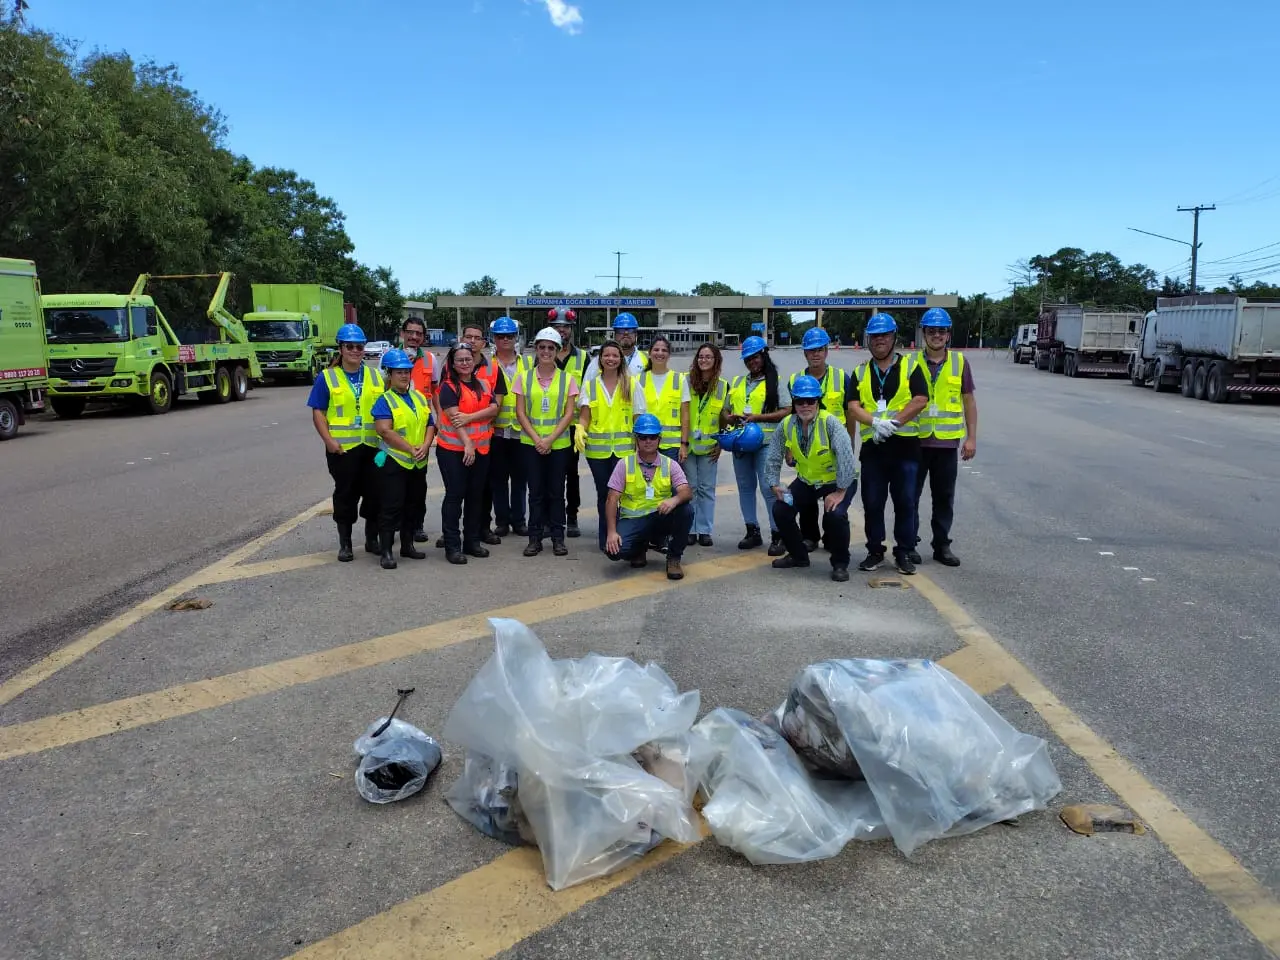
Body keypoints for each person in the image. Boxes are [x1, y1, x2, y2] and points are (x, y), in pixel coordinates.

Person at [847, 313, 930, 575]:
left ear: (894, 338)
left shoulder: (911, 367)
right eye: (875, 336)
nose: (879, 340)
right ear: (868, 340)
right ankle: (874, 551)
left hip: (905, 447)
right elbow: (852, 406)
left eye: (884, 335)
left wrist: (893, 423)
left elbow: (920, 399)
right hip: (874, 449)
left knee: (906, 502)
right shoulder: (860, 371)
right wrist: (874, 423)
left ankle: (903, 552)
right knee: (872, 502)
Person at [766, 375, 858, 582]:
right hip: (807, 481)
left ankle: (840, 563)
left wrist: (840, 492)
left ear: (818, 401)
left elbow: (846, 457)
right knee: (781, 509)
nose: (805, 405)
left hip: (837, 481)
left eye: (811, 400)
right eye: (800, 401)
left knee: (835, 515)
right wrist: (774, 484)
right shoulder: (787, 424)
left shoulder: (831, 423)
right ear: (794, 402)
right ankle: (799, 556)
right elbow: (773, 454)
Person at [307, 323, 386, 562]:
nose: (355, 350)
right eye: (349, 346)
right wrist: (329, 441)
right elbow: (318, 412)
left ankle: (372, 539)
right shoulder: (327, 377)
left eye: (359, 346)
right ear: (340, 348)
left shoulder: (375, 375)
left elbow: (385, 408)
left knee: (375, 494)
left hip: (372, 447)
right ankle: (346, 543)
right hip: (342, 450)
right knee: (346, 495)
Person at [909, 307, 977, 567]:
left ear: (948, 334)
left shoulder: (960, 363)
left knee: (944, 497)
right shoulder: (910, 362)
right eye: (931, 331)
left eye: (941, 331)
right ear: (923, 333)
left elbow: (969, 401)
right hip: (916, 441)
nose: (936, 335)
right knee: (910, 496)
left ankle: (941, 545)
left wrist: (971, 438)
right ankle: (909, 542)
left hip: (947, 444)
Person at [787, 326, 856, 552]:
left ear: (827, 351)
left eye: (820, 349)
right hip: (807, 450)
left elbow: (850, 414)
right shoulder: (795, 380)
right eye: (811, 350)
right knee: (806, 493)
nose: (815, 354)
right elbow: (792, 416)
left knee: (832, 500)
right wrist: (790, 448)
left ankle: (831, 536)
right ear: (805, 353)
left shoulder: (841, 378)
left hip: (834, 451)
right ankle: (810, 536)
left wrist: (850, 444)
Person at [603, 414, 694, 581]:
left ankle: (674, 558)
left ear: (659, 439)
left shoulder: (669, 464)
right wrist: (611, 532)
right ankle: (639, 548)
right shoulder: (624, 464)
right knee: (614, 552)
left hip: (660, 517)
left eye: (652, 437)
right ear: (636, 439)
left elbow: (686, 491)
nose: (648, 441)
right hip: (633, 519)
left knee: (686, 510)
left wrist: (674, 500)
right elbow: (611, 499)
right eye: (643, 437)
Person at [723, 336, 791, 555]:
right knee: (745, 487)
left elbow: (786, 410)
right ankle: (752, 530)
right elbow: (724, 411)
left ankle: (778, 534)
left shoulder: (775, 381)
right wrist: (730, 417)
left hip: (766, 443)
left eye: (756, 357)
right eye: (748, 358)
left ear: (764, 356)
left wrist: (758, 417)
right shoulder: (737, 383)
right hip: (741, 443)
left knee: (768, 487)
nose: (752, 361)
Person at [515, 327, 580, 557]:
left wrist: (550, 439)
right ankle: (534, 539)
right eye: (541, 347)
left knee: (555, 493)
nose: (545, 352)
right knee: (535, 493)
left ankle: (557, 538)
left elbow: (569, 414)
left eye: (550, 348)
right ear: (536, 350)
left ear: (557, 350)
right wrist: (537, 440)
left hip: (559, 445)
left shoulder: (568, 380)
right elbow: (520, 413)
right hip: (531, 445)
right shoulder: (523, 378)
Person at [436, 342, 501, 564]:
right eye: (460, 360)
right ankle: (452, 545)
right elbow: (456, 420)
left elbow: (494, 409)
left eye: (468, 359)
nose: (465, 363)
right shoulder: (448, 388)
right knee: (455, 496)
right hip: (454, 451)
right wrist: (468, 444)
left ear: (473, 361)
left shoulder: (482, 383)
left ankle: (472, 542)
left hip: (481, 449)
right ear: (453, 364)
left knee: (476, 497)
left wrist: (471, 417)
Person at [371, 349, 435, 570]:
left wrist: (425, 446)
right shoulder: (384, 400)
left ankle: (407, 546)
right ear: (389, 374)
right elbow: (384, 431)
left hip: (417, 462)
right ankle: (387, 551)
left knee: (413, 506)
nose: (404, 376)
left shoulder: (418, 397)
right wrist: (410, 448)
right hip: (394, 462)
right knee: (391, 507)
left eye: (407, 372)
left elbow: (430, 424)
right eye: (399, 372)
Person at [576, 340, 634, 551]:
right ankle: (606, 537)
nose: (610, 359)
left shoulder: (631, 384)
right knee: (605, 494)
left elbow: (639, 417)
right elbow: (584, 416)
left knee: (624, 495)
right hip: (598, 452)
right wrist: (580, 429)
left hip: (624, 450)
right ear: (600, 359)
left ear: (621, 359)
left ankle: (624, 536)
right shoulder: (591, 385)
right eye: (606, 355)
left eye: (615, 355)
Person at [486, 316, 529, 539]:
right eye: (500, 336)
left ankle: (519, 520)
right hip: (497, 431)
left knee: (520, 480)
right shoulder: (487, 365)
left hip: (521, 432)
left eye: (509, 336)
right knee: (499, 480)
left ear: (515, 338)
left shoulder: (527, 363)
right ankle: (502, 521)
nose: (505, 340)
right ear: (494, 338)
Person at [549, 308, 588, 538]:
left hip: (573, 427)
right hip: (548, 426)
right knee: (548, 475)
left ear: (571, 330)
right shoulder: (544, 353)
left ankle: (571, 516)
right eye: (557, 326)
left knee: (571, 474)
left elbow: (588, 391)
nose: (561, 330)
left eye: (565, 327)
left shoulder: (583, 358)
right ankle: (548, 518)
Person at [685, 342, 727, 547]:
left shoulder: (723, 386)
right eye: (701, 356)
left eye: (708, 357)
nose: (704, 360)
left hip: (710, 446)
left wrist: (721, 443)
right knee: (690, 488)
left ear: (716, 360)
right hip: (689, 445)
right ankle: (691, 529)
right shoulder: (686, 382)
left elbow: (725, 419)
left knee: (707, 488)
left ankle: (704, 529)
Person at [399, 316, 436, 544]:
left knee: (418, 482)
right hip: (396, 431)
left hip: (421, 430)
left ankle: (417, 524)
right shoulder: (389, 356)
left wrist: (437, 422)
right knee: (394, 481)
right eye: (410, 332)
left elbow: (435, 390)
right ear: (402, 333)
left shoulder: (431, 359)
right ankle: (397, 522)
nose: (414, 337)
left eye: (419, 334)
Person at [632, 335, 690, 461]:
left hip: (672, 447)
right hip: (646, 442)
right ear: (649, 353)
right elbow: (636, 415)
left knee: (669, 480)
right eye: (656, 350)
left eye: (664, 350)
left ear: (669, 355)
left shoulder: (679, 379)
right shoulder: (638, 380)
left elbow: (685, 415)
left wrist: (684, 444)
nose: (660, 353)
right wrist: (636, 443)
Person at [583, 312, 647, 379]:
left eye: (630, 330)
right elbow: (587, 386)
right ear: (615, 334)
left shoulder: (647, 360)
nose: (626, 333)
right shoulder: (598, 361)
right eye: (621, 330)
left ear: (636, 334)